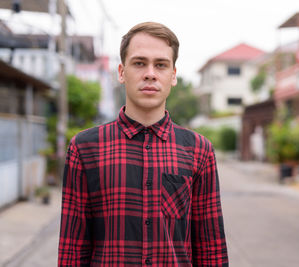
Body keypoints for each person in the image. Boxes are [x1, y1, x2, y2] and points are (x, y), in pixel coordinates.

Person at [58, 21, 229, 266]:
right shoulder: (85, 149)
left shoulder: (199, 151)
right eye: (139, 63)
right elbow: (72, 250)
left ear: (173, 76)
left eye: (160, 64)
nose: (150, 73)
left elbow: (210, 249)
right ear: (121, 72)